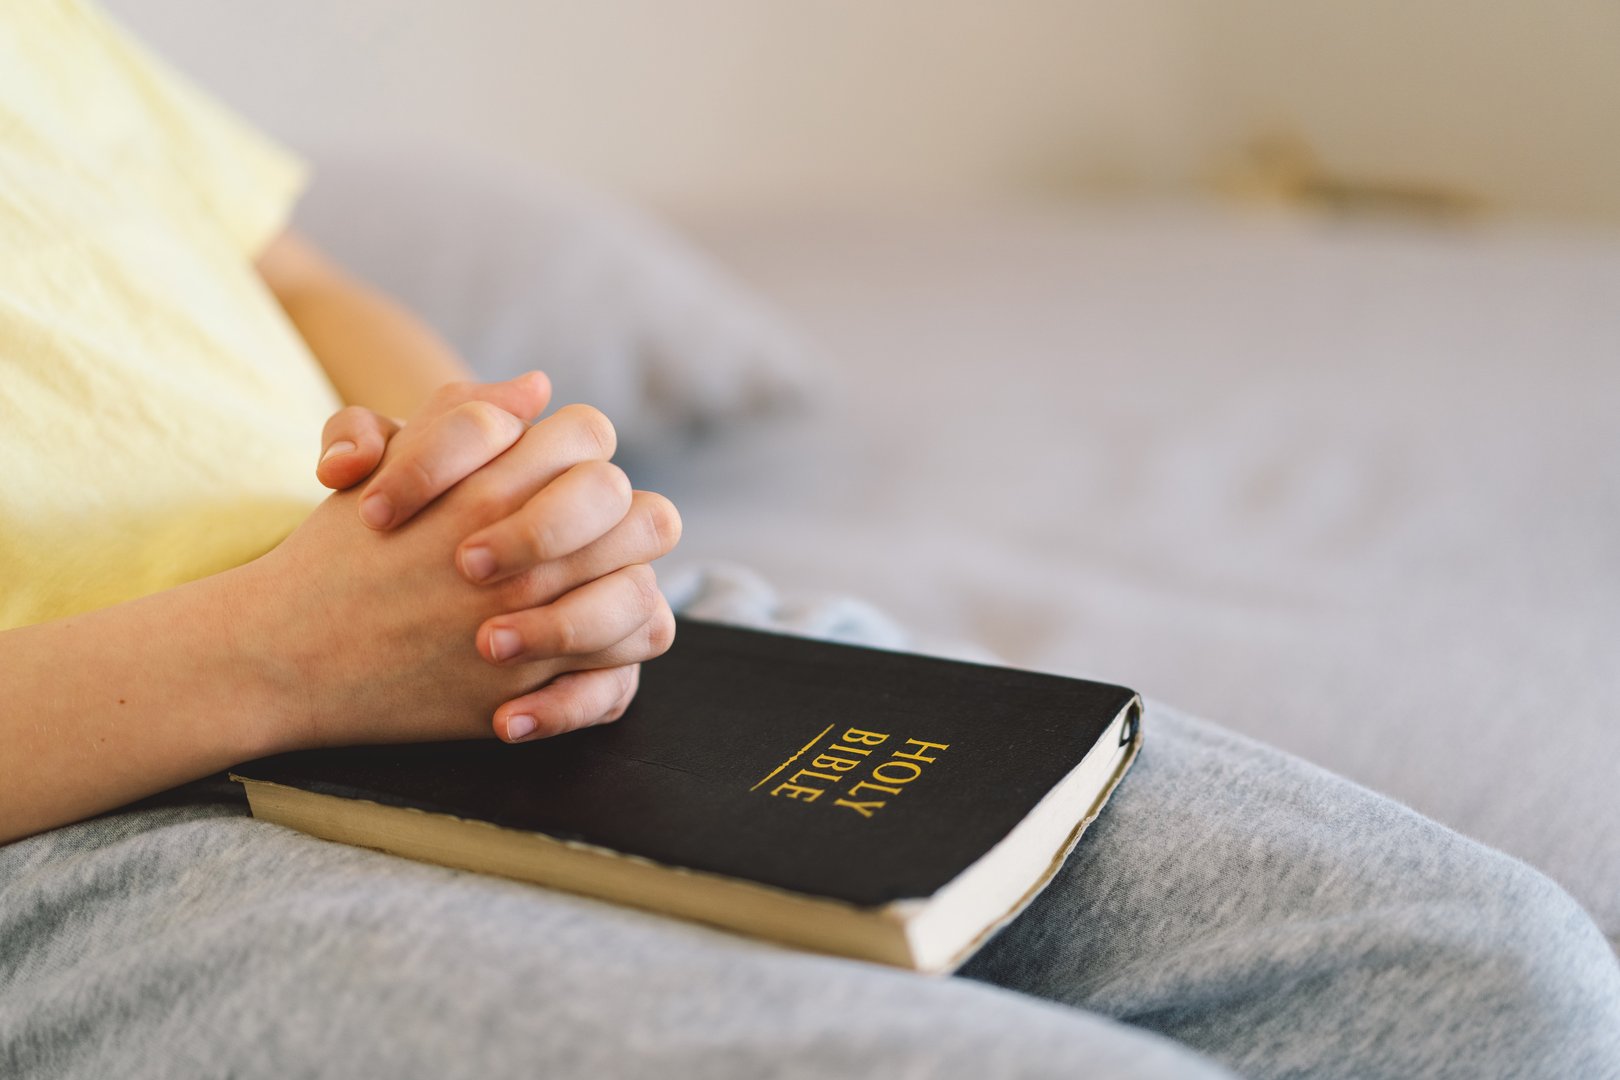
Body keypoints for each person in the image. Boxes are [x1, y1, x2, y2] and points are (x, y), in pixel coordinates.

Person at [2, 4, 1617, 1078]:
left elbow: (295, 275)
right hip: (109, 806)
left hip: (522, 635)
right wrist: (275, 652)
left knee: (1498, 983)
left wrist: (478, 480)